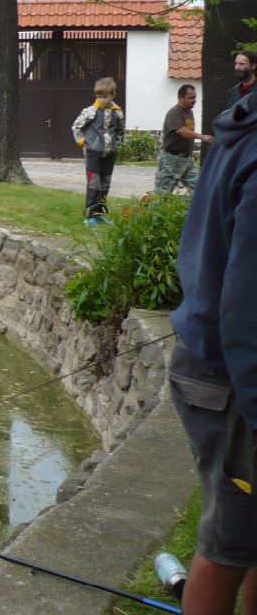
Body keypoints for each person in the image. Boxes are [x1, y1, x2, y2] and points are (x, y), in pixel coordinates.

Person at [169, 86, 257, 615]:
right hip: (232, 379)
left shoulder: (240, 125)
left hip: (214, 362)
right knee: (229, 546)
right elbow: (247, 311)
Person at [71, 76, 125, 224]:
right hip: (93, 153)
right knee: (94, 183)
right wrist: (82, 143)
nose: (102, 100)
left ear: (113, 95)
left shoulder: (117, 113)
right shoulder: (90, 111)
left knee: (105, 183)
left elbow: (120, 131)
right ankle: (90, 216)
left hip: (109, 153)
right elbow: (76, 127)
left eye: (105, 96)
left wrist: (116, 145)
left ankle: (99, 213)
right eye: (99, 97)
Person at [155, 84, 213, 195]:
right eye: (191, 98)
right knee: (162, 194)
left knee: (200, 188)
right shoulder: (174, 112)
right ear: (180, 97)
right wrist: (202, 137)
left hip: (187, 160)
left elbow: (188, 133)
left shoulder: (189, 112)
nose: (194, 100)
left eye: (195, 97)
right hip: (171, 160)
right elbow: (180, 130)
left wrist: (190, 151)